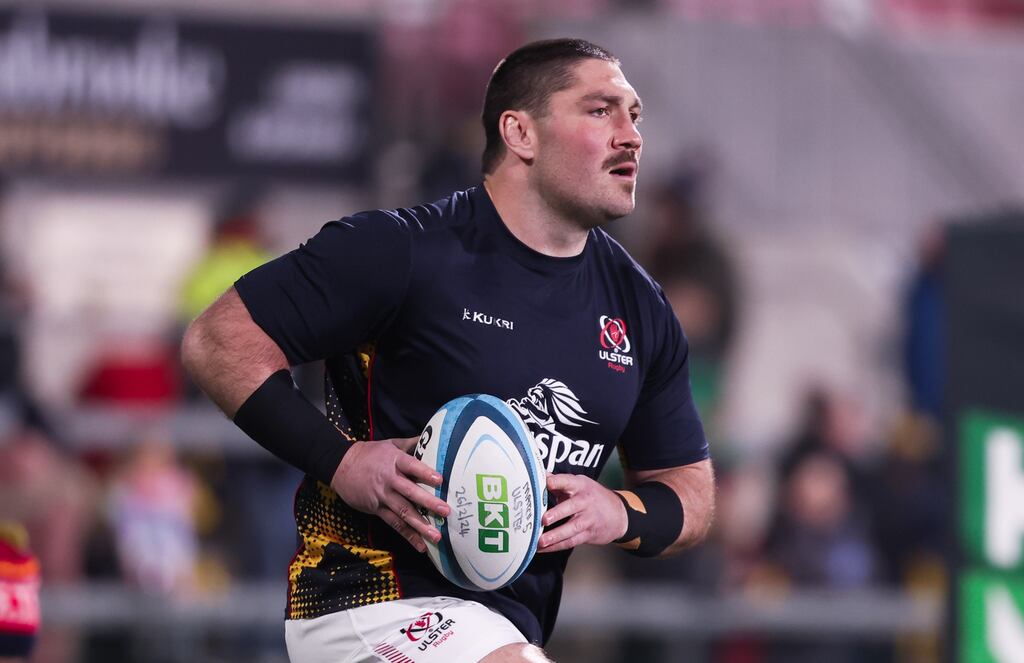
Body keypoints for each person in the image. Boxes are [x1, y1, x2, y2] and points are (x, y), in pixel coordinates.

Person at [182, 38, 715, 663]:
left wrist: (618, 513)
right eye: (601, 111)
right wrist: (343, 462)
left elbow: (692, 494)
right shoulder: (401, 251)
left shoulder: (641, 310)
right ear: (520, 133)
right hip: (367, 604)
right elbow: (218, 340)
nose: (631, 136)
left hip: (508, 628)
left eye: (635, 115)